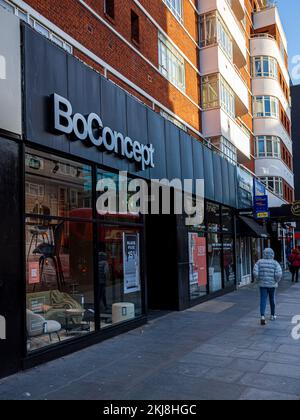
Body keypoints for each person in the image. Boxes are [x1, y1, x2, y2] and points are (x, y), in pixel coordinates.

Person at [253, 248, 282, 326]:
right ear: (272, 254)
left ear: (264, 254)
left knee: (263, 299)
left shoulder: (259, 262)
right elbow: (278, 274)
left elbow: (255, 273)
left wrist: (258, 279)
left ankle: (262, 316)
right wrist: (276, 281)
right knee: (272, 299)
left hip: (262, 284)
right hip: (272, 285)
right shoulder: (275, 263)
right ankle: (272, 315)